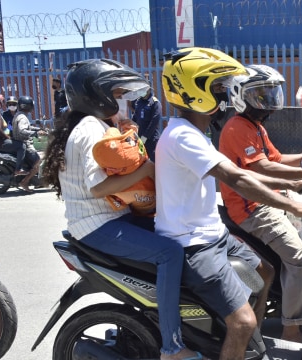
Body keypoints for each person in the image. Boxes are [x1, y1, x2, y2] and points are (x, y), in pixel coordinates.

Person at [156, 47, 302, 360]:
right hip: (194, 244)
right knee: (242, 321)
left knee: (263, 272)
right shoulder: (185, 137)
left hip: (213, 234)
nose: (226, 94)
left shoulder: (197, 133)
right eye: (219, 87)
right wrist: (297, 203)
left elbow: (266, 162)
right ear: (195, 90)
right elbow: (239, 178)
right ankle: (253, 332)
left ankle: (254, 343)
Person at [41, 58, 204, 360]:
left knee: (179, 232)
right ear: (96, 94)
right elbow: (98, 188)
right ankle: (172, 347)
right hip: (97, 226)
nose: (123, 101)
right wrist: (149, 171)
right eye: (117, 94)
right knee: (169, 252)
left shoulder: (93, 124)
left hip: (111, 218)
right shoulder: (90, 128)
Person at [219, 64, 302, 343]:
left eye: (270, 93)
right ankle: (293, 327)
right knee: (301, 260)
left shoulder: (255, 127)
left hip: (267, 201)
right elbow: (263, 169)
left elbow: (274, 160)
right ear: (241, 95)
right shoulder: (237, 127)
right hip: (252, 209)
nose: (268, 99)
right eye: (260, 94)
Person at [0, 92, 26, 170]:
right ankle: (18, 170)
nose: (12, 106)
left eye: (14, 104)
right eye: (9, 104)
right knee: (22, 147)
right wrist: (8, 137)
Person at [12, 96, 45, 192]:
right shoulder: (22, 117)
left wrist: (38, 129)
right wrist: (35, 133)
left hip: (21, 143)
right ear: (29, 106)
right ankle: (25, 181)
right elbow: (22, 131)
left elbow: (28, 127)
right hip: (26, 144)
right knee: (38, 163)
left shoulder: (19, 115)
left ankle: (38, 181)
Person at [131, 87, 162, 161]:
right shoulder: (139, 102)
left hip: (151, 139)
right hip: (139, 138)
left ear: (148, 90)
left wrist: (145, 136)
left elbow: (154, 122)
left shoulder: (155, 103)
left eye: (143, 90)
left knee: (153, 161)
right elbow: (135, 117)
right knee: (142, 161)